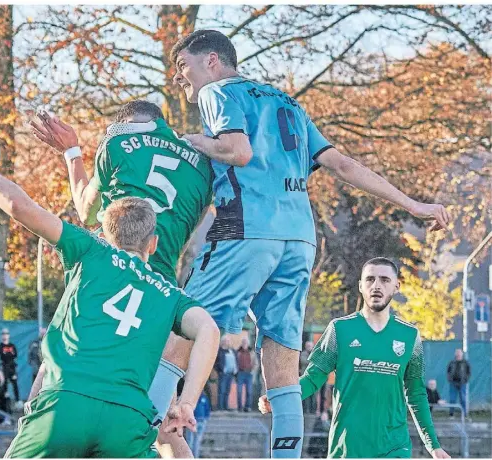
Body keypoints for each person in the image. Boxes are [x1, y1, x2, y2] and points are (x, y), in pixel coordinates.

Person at [163, 29, 451, 458]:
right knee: (281, 361)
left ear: (211, 61)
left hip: (246, 232)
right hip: (299, 240)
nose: (177, 79)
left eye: (182, 66)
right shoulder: (288, 103)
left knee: (179, 333)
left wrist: (186, 141)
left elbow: (236, 150)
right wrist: (412, 203)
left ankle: (138, 440)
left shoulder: (218, 91)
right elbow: (343, 164)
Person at [0, 135, 219, 458]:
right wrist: (186, 403)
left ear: (105, 233)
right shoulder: (170, 294)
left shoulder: (89, 250)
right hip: (125, 420)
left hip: (65, 405)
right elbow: (209, 330)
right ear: (152, 244)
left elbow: (19, 207)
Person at [31, 100, 214, 456]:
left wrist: (72, 152)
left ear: (125, 123)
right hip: (164, 299)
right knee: (162, 427)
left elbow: (86, 211)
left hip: (110, 284)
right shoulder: (203, 166)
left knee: (48, 388)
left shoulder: (117, 142)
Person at [259, 258, 450, 458]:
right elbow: (313, 378)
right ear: (360, 286)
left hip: (395, 447)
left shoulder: (410, 336)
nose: (376, 285)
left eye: (385, 280)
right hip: (347, 448)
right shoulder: (339, 329)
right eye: (370, 279)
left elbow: (417, 394)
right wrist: (283, 398)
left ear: (396, 286)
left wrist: (433, 445)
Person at [0, 329, 21, 406]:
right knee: (4, 385)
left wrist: (7, 355)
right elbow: (2, 356)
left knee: (15, 384)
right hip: (4, 368)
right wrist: (9, 355)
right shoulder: (0, 346)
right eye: (3, 333)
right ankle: (4, 402)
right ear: (1, 336)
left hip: (12, 368)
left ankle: (17, 401)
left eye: (6, 333)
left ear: (9, 335)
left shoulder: (12, 345)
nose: (5, 335)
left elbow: (15, 355)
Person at [185, 391, 211, 458]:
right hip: (193, 421)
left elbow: (207, 409)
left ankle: (194, 457)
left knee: (195, 442)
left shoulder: (203, 398)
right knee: (191, 442)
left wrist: (205, 419)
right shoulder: (192, 398)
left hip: (200, 421)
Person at [214, 335, 237, 411]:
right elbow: (215, 363)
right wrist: (220, 370)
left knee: (227, 391)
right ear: (222, 342)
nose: (226, 342)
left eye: (227, 341)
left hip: (231, 374)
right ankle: (220, 407)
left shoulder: (232, 351)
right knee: (221, 391)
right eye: (225, 341)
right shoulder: (219, 351)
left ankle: (225, 406)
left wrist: (235, 369)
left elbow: (236, 361)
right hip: (222, 374)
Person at [446, 348, 471, 417]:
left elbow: (468, 373)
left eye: (459, 353)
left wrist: (465, 380)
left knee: (463, 399)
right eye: (457, 353)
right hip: (453, 383)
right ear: (455, 354)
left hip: (462, 383)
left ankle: (464, 415)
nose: (458, 354)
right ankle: (451, 414)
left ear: (462, 354)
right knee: (452, 399)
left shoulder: (465, 363)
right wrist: (450, 380)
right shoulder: (451, 362)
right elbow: (448, 372)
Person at [236, 336, 255, 412]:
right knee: (239, 391)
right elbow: (235, 362)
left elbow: (256, 363)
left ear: (248, 343)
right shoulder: (238, 351)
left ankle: (247, 407)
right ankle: (240, 407)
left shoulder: (251, 352)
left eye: (246, 342)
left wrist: (253, 371)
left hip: (249, 374)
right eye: (243, 342)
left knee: (249, 391)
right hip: (240, 373)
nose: (244, 343)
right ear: (242, 343)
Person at [300, 341, 316, 414]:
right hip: (305, 378)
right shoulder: (303, 354)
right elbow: (304, 361)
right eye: (308, 346)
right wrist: (313, 360)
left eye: (311, 346)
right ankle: (305, 410)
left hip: (313, 378)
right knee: (305, 395)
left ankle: (313, 410)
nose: (309, 348)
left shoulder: (314, 354)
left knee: (313, 396)